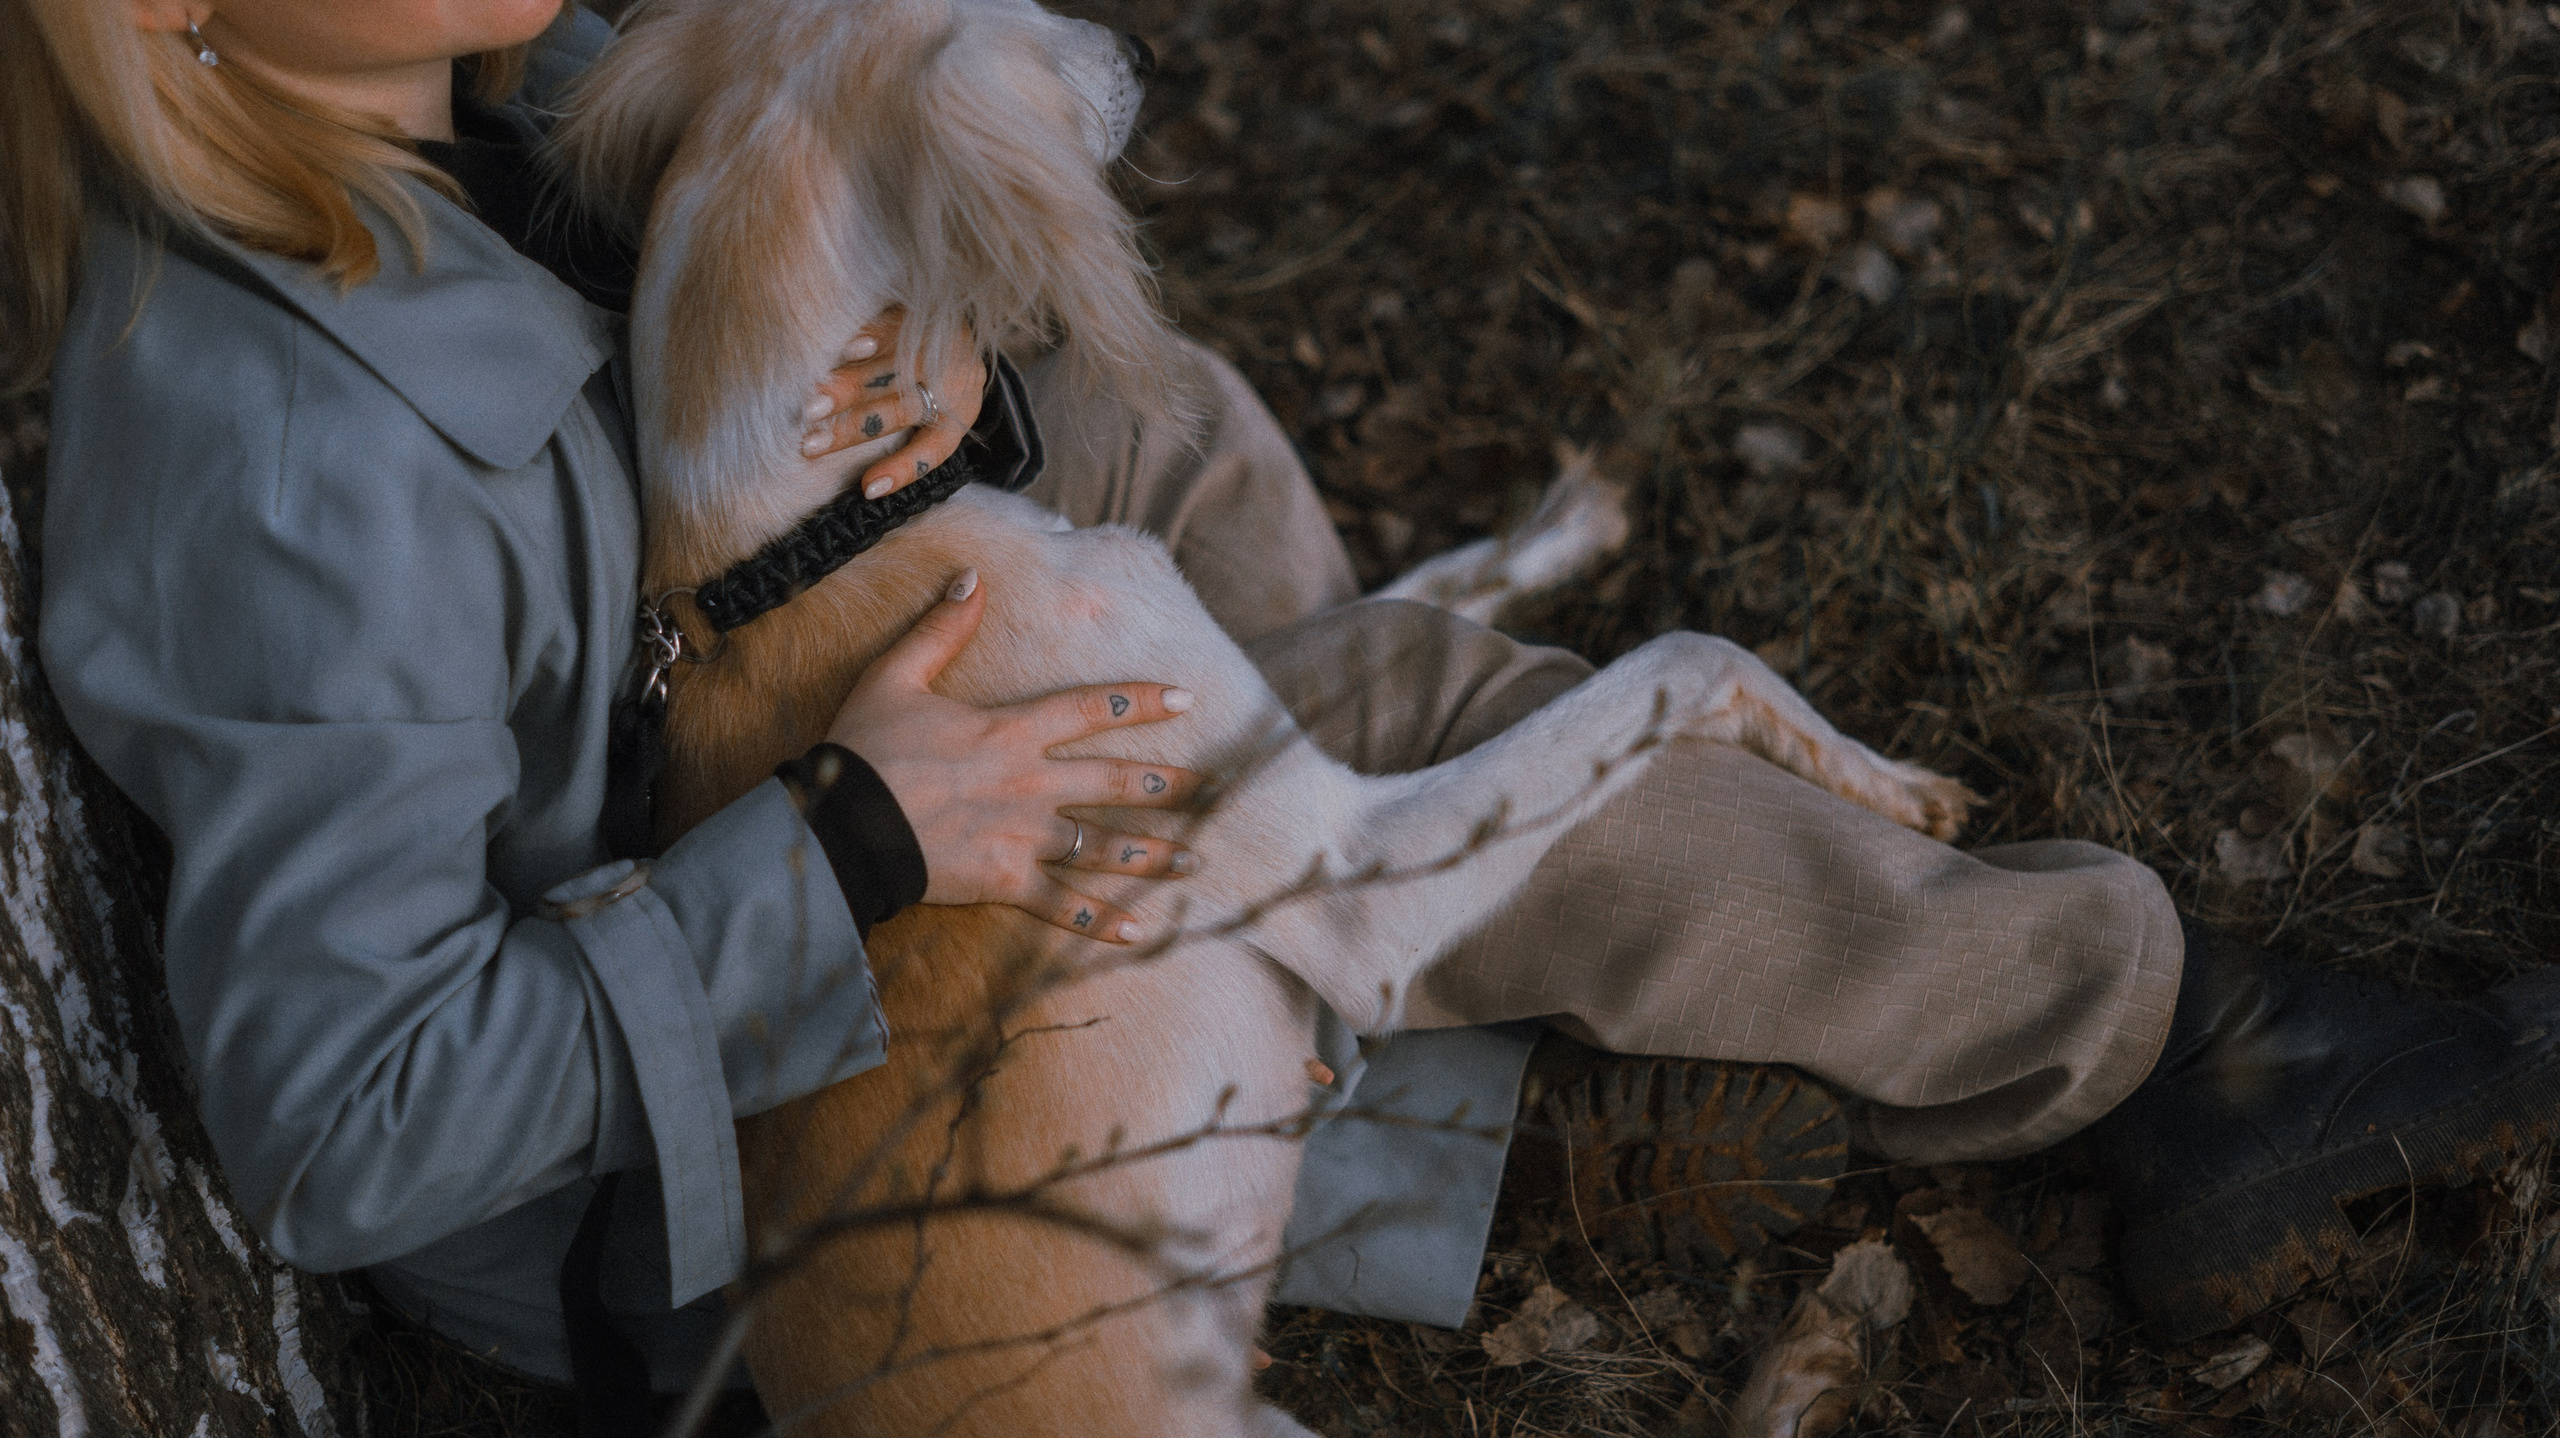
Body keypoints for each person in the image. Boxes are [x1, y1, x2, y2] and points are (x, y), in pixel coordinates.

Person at [9, 1, 2559, 1431]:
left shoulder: (438, 90)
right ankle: (2163, 1046)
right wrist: (862, 846)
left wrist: (932, 410)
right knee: (1404, 707)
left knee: (1147, 424)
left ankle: (1395, 1030)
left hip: (778, 727)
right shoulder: (270, 479)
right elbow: (347, 1123)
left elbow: (743, 348)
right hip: (733, 1146)